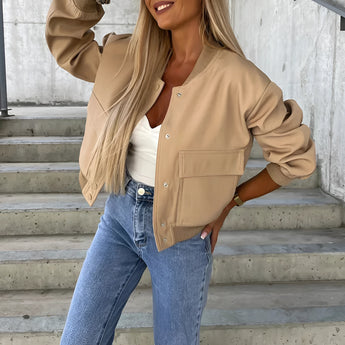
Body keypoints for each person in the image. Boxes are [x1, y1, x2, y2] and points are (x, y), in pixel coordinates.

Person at [45, 0, 316, 344]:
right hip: (118, 220)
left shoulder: (240, 80)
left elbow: (296, 159)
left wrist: (232, 201)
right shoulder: (127, 57)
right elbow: (66, 42)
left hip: (184, 239)